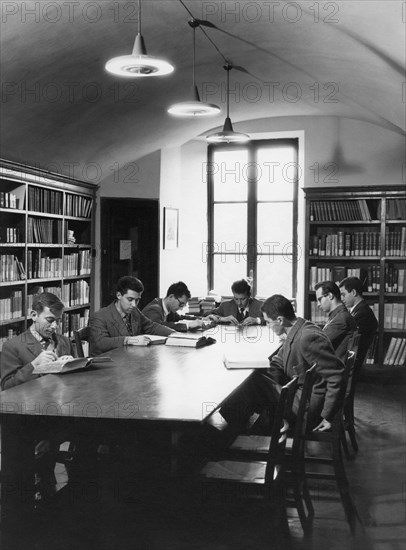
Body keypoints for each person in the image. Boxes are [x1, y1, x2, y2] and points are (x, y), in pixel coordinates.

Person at [220, 294, 345, 433]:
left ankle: (232, 433)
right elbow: (278, 361)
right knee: (253, 381)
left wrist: (328, 416)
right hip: (298, 395)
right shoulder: (297, 329)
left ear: (280, 320)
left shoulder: (308, 337)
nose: (267, 326)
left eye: (268, 322)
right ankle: (238, 428)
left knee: (250, 384)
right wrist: (268, 380)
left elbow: (336, 375)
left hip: (305, 405)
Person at [1, 291, 74, 390]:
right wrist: (34, 365)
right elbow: (7, 387)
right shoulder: (12, 347)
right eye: (50, 320)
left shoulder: (65, 341)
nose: (54, 326)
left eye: (58, 321)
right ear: (34, 315)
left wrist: (71, 365)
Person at [89, 276, 174, 356]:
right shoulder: (99, 316)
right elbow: (101, 342)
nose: (134, 305)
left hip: (126, 361)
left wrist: (176, 334)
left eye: (137, 300)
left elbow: (151, 326)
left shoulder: (134, 312)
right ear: (119, 295)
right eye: (130, 299)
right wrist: (129, 340)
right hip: (103, 366)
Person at [339, 276, 378, 373]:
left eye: (343, 294)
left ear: (353, 292)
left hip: (351, 368)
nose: (341, 299)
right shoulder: (360, 310)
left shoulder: (362, 314)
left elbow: (348, 341)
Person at [315, 281, 357, 362]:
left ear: (330, 296)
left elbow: (318, 342)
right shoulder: (339, 315)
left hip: (332, 369)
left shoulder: (341, 319)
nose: (318, 304)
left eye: (320, 299)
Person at [142, 281, 206, 331]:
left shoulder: (170, 310)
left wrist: (202, 319)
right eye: (181, 304)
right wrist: (188, 325)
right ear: (171, 297)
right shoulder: (154, 308)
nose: (181, 309)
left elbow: (181, 318)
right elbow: (158, 327)